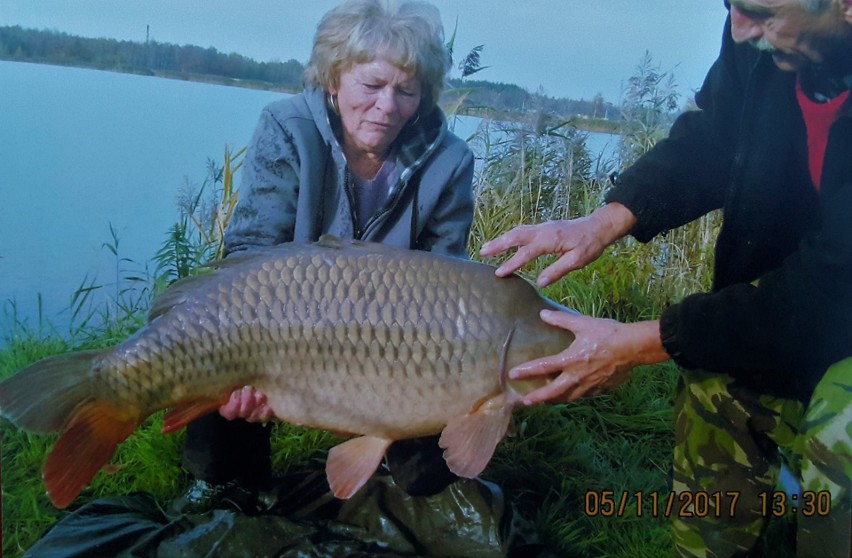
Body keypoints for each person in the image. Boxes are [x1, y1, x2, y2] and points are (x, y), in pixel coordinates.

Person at [480, 1, 852, 556]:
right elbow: (713, 139)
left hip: (833, 308)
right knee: (711, 379)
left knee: (839, 431)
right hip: (776, 301)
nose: (739, 29)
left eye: (760, 11)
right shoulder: (758, 45)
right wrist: (602, 221)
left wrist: (638, 343)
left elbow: (826, 288)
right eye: (730, 5)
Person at [179, 0, 475, 511]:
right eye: (373, 86)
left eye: (406, 91)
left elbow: (445, 289)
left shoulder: (450, 161)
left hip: (393, 336)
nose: (387, 107)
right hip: (281, 322)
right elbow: (250, 251)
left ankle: (394, 472)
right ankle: (220, 481)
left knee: (432, 453)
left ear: (423, 95)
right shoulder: (286, 127)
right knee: (216, 326)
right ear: (334, 78)